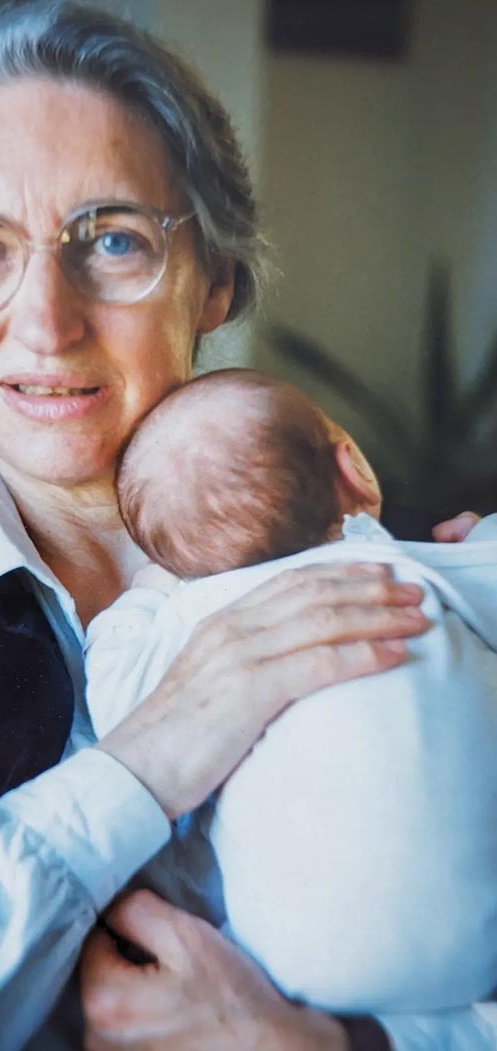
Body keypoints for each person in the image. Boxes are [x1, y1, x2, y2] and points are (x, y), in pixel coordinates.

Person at [0, 3, 490, 1050]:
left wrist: (342, 1044)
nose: (45, 322)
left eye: (113, 239)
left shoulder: (387, 575)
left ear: (215, 277)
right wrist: (160, 744)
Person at [85, 367, 497, 1016]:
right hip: (483, 951)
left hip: (292, 971)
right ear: (351, 471)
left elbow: (118, 700)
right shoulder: (401, 567)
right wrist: (478, 537)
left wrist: (141, 602)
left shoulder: (188, 625)